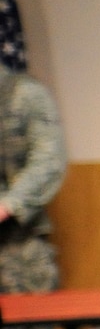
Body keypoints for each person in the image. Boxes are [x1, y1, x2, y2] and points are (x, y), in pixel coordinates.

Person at [0, 63, 68, 294]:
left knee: (28, 326)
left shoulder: (24, 94)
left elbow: (48, 160)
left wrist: (8, 205)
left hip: (17, 243)